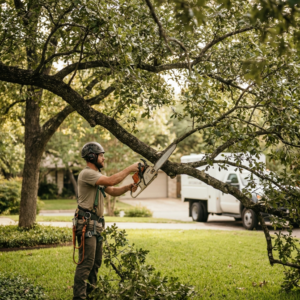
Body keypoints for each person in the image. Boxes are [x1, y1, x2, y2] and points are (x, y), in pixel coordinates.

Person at [73, 141, 139, 300]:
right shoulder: (87, 173)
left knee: (96, 263)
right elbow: (111, 181)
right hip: (86, 224)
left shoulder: (97, 177)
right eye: (101, 155)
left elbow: (113, 190)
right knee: (86, 264)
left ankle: (91, 295)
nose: (104, 158)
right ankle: (79, 297)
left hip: (96, 224)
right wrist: (130, 168)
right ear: (91, 156)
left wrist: (129, 187)